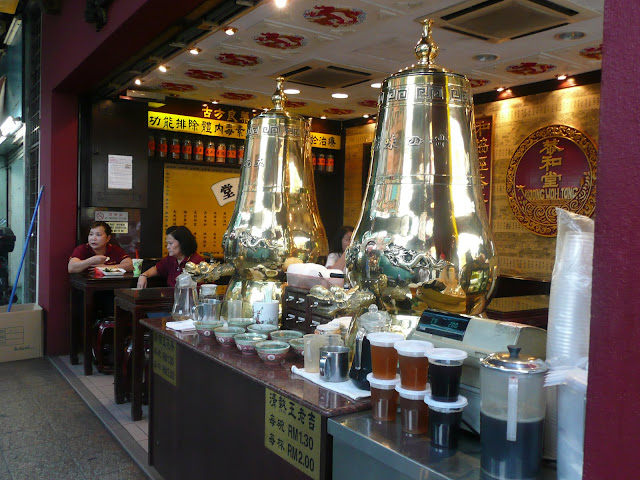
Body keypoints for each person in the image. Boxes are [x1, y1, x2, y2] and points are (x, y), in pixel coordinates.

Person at [137, 226, 204, 288]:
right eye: (167, 244)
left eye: (170, 243)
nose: (168, 247)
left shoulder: (197, 262)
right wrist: (144, 275)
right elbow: (157, 268)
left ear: (182, 243)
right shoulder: (171, 258)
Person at [68, 221, 133, 273]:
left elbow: (130, 265)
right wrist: (91, 260)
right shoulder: (82, 249)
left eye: (98, 235)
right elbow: (71, 268)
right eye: (91, 234)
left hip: (111, 283)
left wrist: (106, 268)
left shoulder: (114, 249)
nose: (93, 238)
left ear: (108, 238)